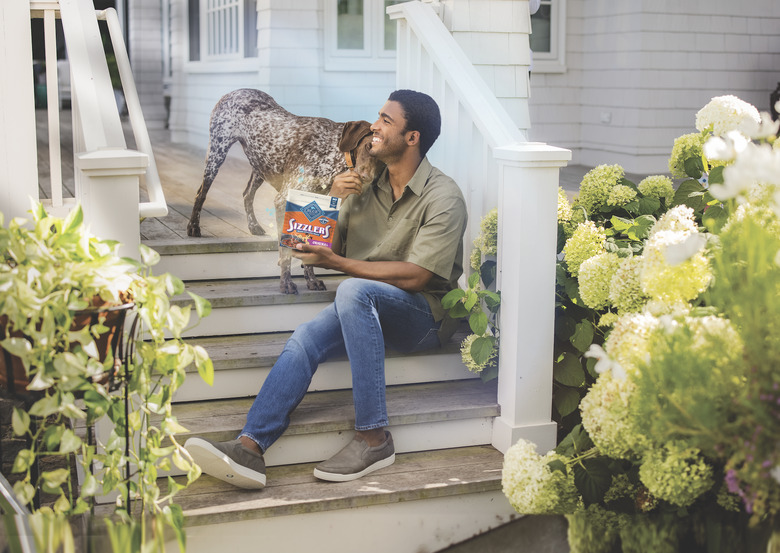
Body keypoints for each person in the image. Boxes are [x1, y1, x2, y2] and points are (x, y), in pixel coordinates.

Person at [184, 90, 468, 488]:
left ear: (412, 138)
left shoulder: (444, 196)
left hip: (423, 318)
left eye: (386, 120)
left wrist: (339, 266)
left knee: (353, 290)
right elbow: (326, 248)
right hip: (368, 309)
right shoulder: (362, 186)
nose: (374, 126)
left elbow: (417, 277)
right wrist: (329, 203)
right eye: (377, 117)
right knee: (305, 339)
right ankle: (249, 447)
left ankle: (373, 437)